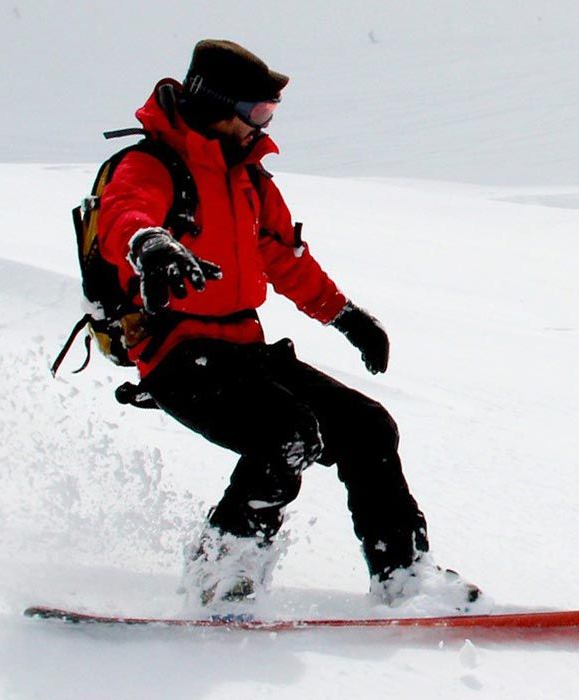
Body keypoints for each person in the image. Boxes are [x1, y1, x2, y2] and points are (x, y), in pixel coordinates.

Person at [94, 39, 478, 610]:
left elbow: (284, 259)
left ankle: (402, 574)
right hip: (179, 353)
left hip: (244, 350)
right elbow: (125, 213)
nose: (264, 125)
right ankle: (220, 570)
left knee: (367, 428)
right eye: (257, 112)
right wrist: (150, 244)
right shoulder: (151, 164)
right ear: (217, 104)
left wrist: (346, 317)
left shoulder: (249, 179)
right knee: (287, 435)